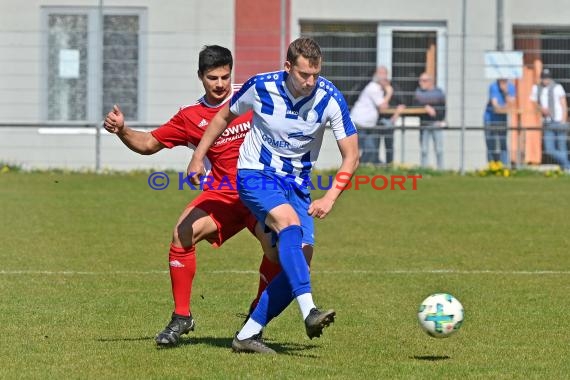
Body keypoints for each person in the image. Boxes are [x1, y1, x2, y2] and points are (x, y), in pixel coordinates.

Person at [187, 37, 359, 354]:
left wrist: (331, 196)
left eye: (315, 75)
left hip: (297, 185)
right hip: (255, 174)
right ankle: (309, 311)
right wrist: (199, 157)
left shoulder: (329, 98)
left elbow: (352, 154)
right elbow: (222, 117)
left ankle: (247, 335)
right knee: (288, 223)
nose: (310, 82)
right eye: (303, 74)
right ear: (287, 67)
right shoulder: (261, 87)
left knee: (301, 260)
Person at [103, 45, 282, 347]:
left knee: (276, 249)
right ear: (200, 76)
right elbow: (148, 143)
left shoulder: (252, 97)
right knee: (181, 234)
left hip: (258, 193)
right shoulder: (190, 116)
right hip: (222, 197)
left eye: (225, 76)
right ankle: (182, 316)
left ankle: (255, 316)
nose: (220, 84)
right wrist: (122, 130)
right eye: (212, 77)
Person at [350, 66, 403, 165]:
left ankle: (358, 167)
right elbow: (383, 107)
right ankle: (356, 167)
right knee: (368, 149)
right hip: (360, 123)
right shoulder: (373, 88)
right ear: (376, 75)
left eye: (385, 74)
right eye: (381, 74)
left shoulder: (377, 88)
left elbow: (387, 104)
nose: (384, 77)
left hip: (368, 125)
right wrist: (389, 93)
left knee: (371, 150)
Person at [530, 68, 570, 170]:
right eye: (543, 78)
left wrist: (564, 119)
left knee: (562, 147)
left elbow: (563, 103)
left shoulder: (557, 87)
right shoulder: (537, 88)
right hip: (547, 122)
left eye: (547, 78)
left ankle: (566, 169)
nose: (545, 80)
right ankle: (568, 165)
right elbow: (533, 102)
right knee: (549, 149)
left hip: (559, 120)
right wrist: (541, 109)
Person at [413, 72, 446, 170]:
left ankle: (441, 170)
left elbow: (443, 108)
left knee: (439, 149)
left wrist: (441, 119)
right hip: (424, 124)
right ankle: (424, 170)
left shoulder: (439, 93)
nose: (420, 83)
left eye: (423, 81)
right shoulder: (418, 93)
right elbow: (414, 105)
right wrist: (425, 107)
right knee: (424, 149)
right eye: (420, 80)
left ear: (430, 82)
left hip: (436, 123)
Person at [484, 78, 516, 166]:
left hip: (502, 119)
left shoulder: (511, 87)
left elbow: (511, 103)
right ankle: (492, 166)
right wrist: (504, 107)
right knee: (491, 144)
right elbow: (495, 106)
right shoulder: (493, 87)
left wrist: (505, 91)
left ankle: (504, 166)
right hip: (490, 119)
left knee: (503, 143)